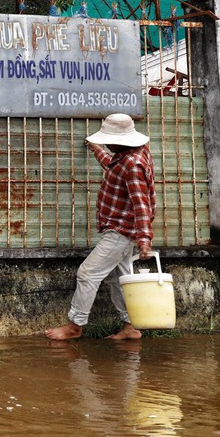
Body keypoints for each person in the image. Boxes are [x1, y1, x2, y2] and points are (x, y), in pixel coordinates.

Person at [46, 113, 156, 341]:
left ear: (121, 141)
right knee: (120, 278)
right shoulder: (132, 154)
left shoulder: (133, 164)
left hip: (120, 231)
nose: (106, 143)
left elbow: (141, 205)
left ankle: (75, 325)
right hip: (122, 230)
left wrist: (145, 240)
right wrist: (97, 149)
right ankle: (130, 327)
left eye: (108, 139)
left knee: (87, 274)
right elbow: (113, 166)